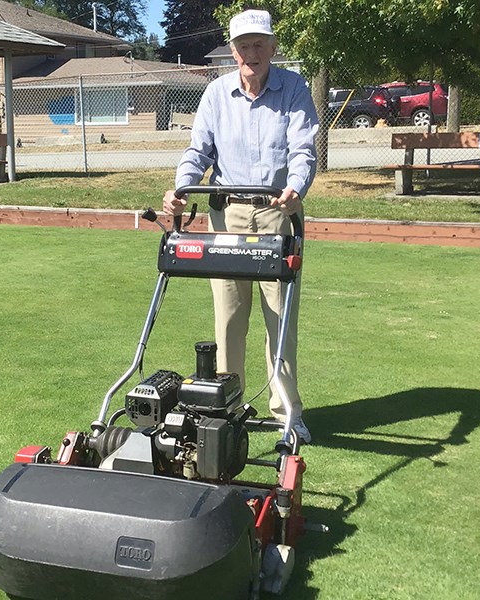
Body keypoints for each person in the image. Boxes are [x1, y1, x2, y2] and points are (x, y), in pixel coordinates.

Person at [162, 9, 319, 443]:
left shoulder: (294, 89)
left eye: (259, 44)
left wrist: (296, 187)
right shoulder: (215, 94)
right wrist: (181, 186)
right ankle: (230, 407)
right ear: (232, 51)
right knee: (229, 316)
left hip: (277, 211)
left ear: (272, 47)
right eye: (243, 45)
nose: (252, 53)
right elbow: (199, 151)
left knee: (280, 316)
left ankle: (287, 413)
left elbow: (304, 149)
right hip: (226, 214)